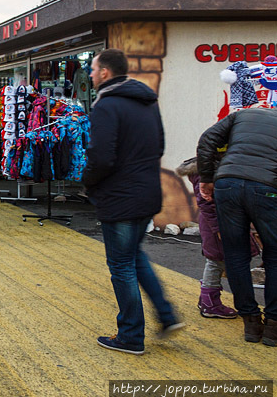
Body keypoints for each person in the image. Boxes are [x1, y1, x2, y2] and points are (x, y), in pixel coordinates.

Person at [82, 48, 183, 355]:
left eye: (93, 68)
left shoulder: (107, 106)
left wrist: (87, 182)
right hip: (147, 192)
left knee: (122, 265)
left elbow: (101, 156)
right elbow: (160, 144)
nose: (89, 73)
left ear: (105, 73)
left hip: (120, 197)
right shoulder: (147, 102)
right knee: (134, 256)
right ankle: (166, 316)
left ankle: (130, 336)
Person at [197, 106, 277, 346]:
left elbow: (207, 140)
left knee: (235, 255)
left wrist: (207, 178)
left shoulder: (242, 115)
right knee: (274, 255)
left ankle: (251, 323)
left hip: (227, 183)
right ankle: (273, 326)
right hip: (266, 187)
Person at [176, 157, 242, 319]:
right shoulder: (206, 172)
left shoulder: (210, 168)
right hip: (217, 225)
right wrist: (219, 229)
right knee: (216, 261)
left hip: (218, 223)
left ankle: (206, 300)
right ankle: (209, 303)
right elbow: (207, 204)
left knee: (218, 261)